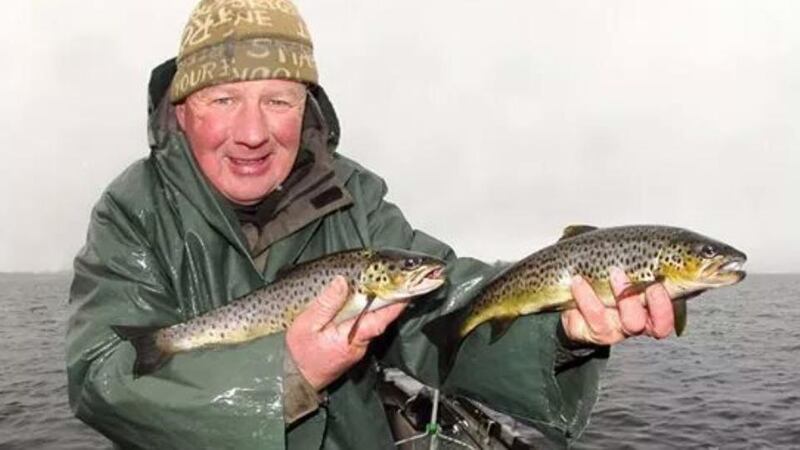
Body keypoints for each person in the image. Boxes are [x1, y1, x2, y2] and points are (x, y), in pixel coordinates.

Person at [66, 1, 676, 449]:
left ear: (307, 106)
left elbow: (446, 313)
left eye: (279, 99)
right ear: (182, 108)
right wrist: (287, 372)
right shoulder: (131, 209)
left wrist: (563, 334)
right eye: (223, 99)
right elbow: (103, 379)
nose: (252, 132)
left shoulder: (355, 196)